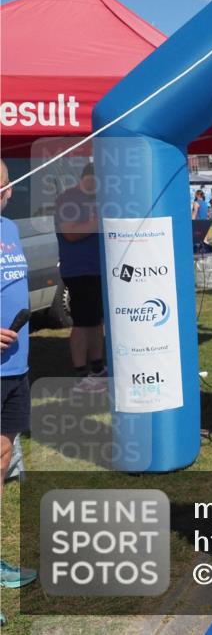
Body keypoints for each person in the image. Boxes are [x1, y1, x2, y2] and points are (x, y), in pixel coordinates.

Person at [0, 160, 38, 595]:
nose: (4, 193)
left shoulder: (10, 228)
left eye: (5, 186)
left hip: (16, 368)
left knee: (3, 457)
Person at [55, 163, 107, 393]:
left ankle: (97, 368)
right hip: (79, 270)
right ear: (88, 177)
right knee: (83, 323)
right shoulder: (68, 199)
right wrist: (98, 222)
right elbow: (70, 232)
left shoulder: (97, 198)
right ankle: (81, 375)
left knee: (95, 321)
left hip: (97, 269)